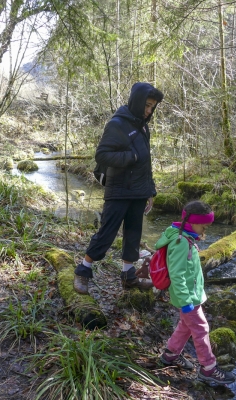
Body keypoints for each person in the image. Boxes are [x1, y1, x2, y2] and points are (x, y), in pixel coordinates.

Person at [73, 82, 163, 295]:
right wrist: (129, 157)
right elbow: (102, 155)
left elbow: (146, 163)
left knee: (133, 233)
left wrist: (150, 191)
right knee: (107, 232)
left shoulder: (142, 125)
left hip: (139, 190)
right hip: (119, 188)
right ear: (138, 101)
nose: (149, 111)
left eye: (153, 107)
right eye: (147, 105)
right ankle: (83, 271)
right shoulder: (117, 123)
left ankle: (129, 276)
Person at [155, 200, 236, 386]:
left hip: (192, 296)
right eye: (203, 226)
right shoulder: (181, 242)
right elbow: (177, 274)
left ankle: (170, 355)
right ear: (192, 222)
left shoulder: (186, 237)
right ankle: (208, 368)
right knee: (201, 328)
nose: (204, 231)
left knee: (185, 327)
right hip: (187, 298)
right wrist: (185, 300)